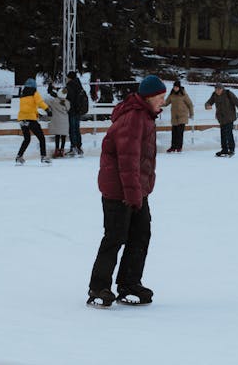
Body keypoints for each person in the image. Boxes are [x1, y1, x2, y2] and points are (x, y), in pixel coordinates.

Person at [87, 75, 167, 308]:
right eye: (160, 98)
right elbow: (128, 160)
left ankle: (129, 283)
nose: (163, 102)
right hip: (118, 191)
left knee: (140, 235)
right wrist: (133, 195)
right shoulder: (134, 118)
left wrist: (140, 191)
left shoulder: (145, 116)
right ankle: (99, 288)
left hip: (134, 189)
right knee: (115, 237)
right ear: (149, 97)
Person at [16, 78, 51, 165]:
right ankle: (43, 156)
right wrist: (47, 110)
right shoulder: (34, 93)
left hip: (22, 119)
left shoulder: (22, 95)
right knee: (41, 138)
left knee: (27, 139)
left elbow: (28, 107)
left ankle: (19, 156)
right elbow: (40, 102)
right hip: (30, 119)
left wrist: (37, 114)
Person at [205, 83, 238, 157]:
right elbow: (209, 102)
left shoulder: (228, 93)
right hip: (221, 118)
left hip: (229, 117)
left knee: (228, 133)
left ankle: (231, 149)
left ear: (222, 89)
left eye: (219, 89)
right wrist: (207, 105)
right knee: (223, 134)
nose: (217, 91)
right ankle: (224, 149)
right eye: (216, 89)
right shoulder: (214, 95)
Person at [163, 80, 194, 153]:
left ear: (179, 87)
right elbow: (166, 103)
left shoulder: (184, 95)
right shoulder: (172, 94)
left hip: (182, 116)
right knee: (174, 132)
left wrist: (191, 114)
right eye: (174, 87)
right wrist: (158, 104)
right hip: (174, 116)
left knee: (180, 133)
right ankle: (173, 147)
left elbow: (190, 104)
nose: (175, 88)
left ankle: (179, 147)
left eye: (177, 87)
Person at [46, 84, 70, 158]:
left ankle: (56, 150)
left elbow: (45, 101)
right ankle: (62, 150)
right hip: (65, 122)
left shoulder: (54, 101)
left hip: (57, 121)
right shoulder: (67, 102)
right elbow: (68, 109)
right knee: (63, 137)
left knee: (57, 136)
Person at [65, 71, 85, 157]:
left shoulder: (69, 86)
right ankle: (79, 147)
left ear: (69, 78)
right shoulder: (79, 85)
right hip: (78, 110)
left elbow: (63, 96)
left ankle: (73, 147)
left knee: (72, 129)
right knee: (77, 129)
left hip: (72, 110)